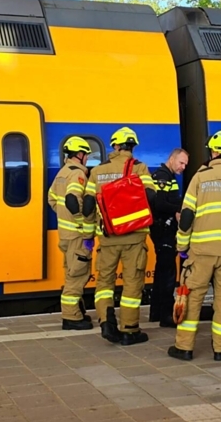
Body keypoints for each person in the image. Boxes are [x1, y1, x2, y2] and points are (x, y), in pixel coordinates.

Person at [168, 131, 221, 362]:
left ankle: (184, 347)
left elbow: (186, 216)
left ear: (214, 152)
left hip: (201, 251)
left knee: (192, 297)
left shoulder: (200, 177)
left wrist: (182, 246)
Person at [83, 127, 156, 345]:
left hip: (107, 237)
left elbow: (87, 206)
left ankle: (106, 320)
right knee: (132, 283)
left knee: (104, 281)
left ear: (114, 146)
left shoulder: (97, 171)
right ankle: (129, 330)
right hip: (134, 237)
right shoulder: (140, 168)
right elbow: (151, 196)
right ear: (131, 147)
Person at [48, 136, 96, 331]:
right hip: (77, 235)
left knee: (71, 273)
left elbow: (52, 200)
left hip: (64, 234)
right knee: (78, 275)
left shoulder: (62, 173)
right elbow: (72, 200)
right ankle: (71, 317)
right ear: (80, 154)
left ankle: (76, 309)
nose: (87, 159)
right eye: (86, 155)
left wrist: (65, 218)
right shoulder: (78, 175)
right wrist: (82, 224)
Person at [150, 148, 188, 328]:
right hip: (162, 229)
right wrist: (182, 204)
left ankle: (155, 312)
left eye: (185, 164)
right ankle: (165, 314)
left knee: (161, 271)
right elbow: (160, 203)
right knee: (167, 273)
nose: (183, 167)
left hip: (163, 228)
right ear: (171, 158)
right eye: (181, 163)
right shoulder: (163, 176)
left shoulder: (169, 176)